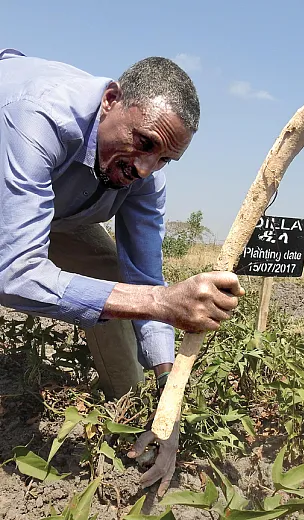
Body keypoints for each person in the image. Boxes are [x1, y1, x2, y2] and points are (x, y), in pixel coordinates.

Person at [0, 49, 244, 495]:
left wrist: (167, 398)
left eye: (165, 159)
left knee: (110, 273)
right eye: (145, 143)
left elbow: (144, 279)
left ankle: (130, 411)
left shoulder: (145, 176)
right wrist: (159, 302)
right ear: (111, 100)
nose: (146, 168)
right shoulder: (37, 116)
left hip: (53, 208)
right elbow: (13, 273)